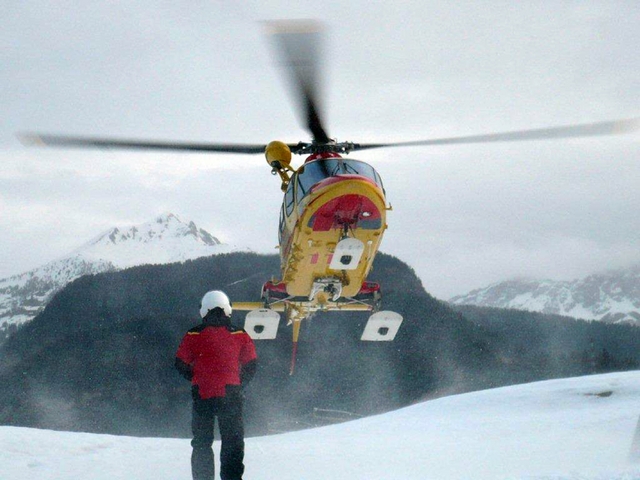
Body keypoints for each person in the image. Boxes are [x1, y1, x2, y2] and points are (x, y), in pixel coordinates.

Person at [175, 290, 257, 480]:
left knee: (202, 443)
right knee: (232, 442)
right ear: (227, 308)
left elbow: (180, 362)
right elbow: (251, 364)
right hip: (231, 395)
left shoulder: (193, 334)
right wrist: (238, 382)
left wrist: (196, 378)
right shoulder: (240, 334)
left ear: (204, 310)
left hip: (202, 394)